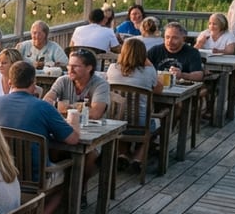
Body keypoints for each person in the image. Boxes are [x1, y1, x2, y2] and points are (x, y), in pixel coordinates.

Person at [0, 61, 80, 214]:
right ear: (33, 83)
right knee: (69, 176)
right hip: (35, 178)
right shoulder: (43, 107)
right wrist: (74, 120)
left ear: (9, 82)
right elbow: (73, 139)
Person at [43, 48, 109, 187]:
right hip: (65, 131)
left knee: (89, 155)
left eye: (75, 66)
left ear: (89, 68)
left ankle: (80, 190)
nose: (70, 69)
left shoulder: (100, 84)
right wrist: (79, 108)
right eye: (69, 65)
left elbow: (96, 113)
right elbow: (46, 102)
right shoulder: (63, 80)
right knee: (51, 148)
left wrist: (64, 107)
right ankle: (59, 188)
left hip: (93, 134)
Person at [105, 38, 162, 172]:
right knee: (157, 123)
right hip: (141, 123)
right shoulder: (148, 71)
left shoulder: (112, 69)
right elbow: (159, 89)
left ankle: (122, 154)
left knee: (124, 121)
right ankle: (138, 157)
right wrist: (149, 63)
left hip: (115, 120)